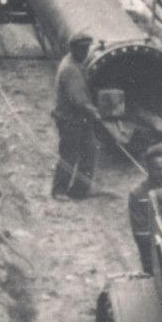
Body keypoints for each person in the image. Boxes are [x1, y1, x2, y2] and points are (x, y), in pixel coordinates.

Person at [51, 31, 101, 200]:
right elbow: (79, 101)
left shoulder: (75, 60)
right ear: (73, 49)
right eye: (82, 49)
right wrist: (96, 114)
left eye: (87, 49)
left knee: (89, 152)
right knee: (69, 155)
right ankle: (59, 190)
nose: (85, 52)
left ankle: (80, 190)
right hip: (70, 120)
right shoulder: (70, 69)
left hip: (80, 119)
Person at [128, 143, 162, 273]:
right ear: (148, 169)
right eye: (157, 169)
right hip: (154, 257)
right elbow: (141, 234)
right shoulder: (138, 194)